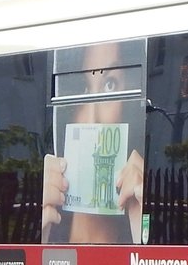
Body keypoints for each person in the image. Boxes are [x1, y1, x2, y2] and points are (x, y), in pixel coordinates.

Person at [42, 42, 145, 244]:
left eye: (110, 85)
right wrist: (38, 237)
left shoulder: (139, 214)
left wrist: (143, 234)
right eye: (82, 87)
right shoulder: (49, 223)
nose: (92, 119)